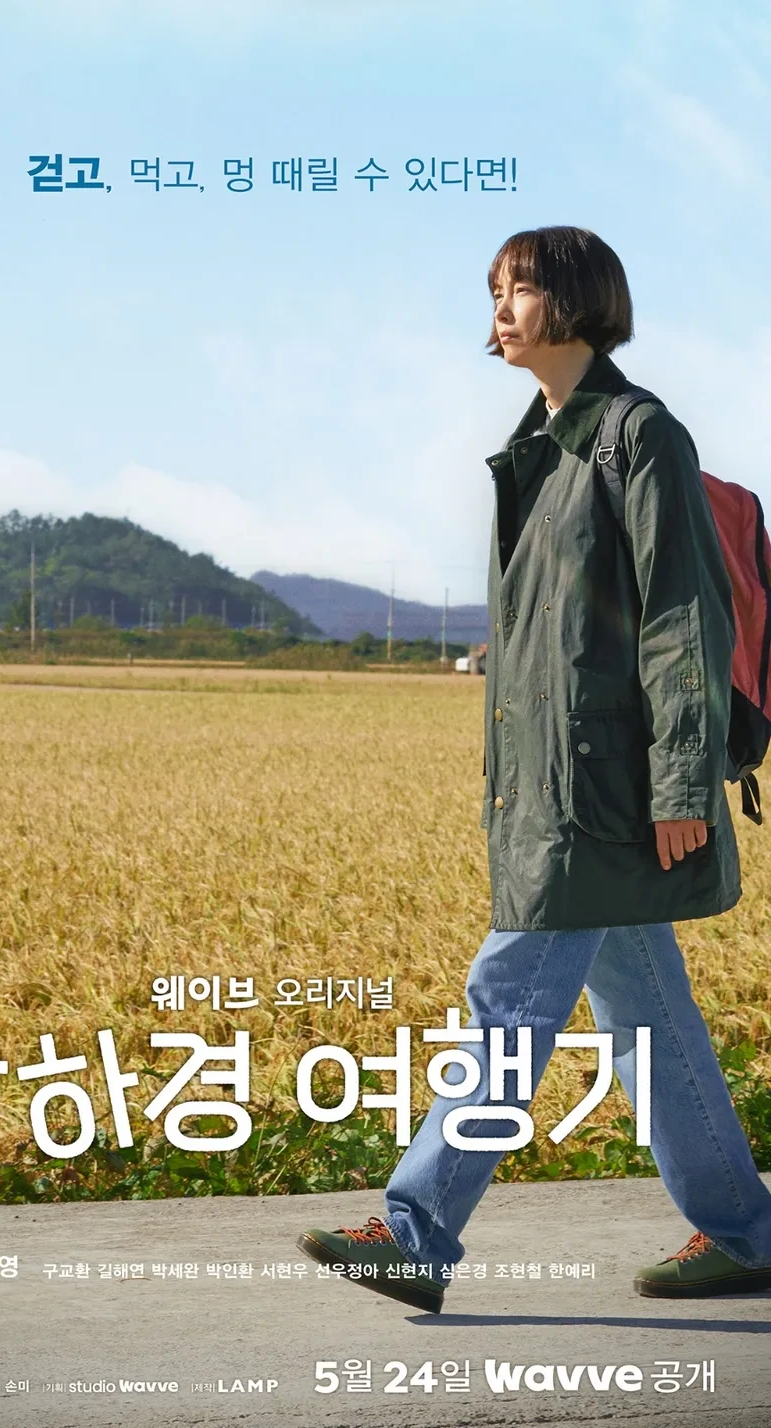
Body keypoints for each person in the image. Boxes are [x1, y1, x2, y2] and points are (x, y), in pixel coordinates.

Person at [296, 225, 771, 1314]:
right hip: (553, 785)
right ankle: (747, 1233)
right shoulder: (538, 451)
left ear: (576, 300)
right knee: (649, 1016)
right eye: (495, 291)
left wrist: (681, 786)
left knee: (507, 998)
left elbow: (681, 618)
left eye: (518, 289)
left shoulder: (638, 435)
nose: (500, 310)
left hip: (604, 795)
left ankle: (414, 1232)